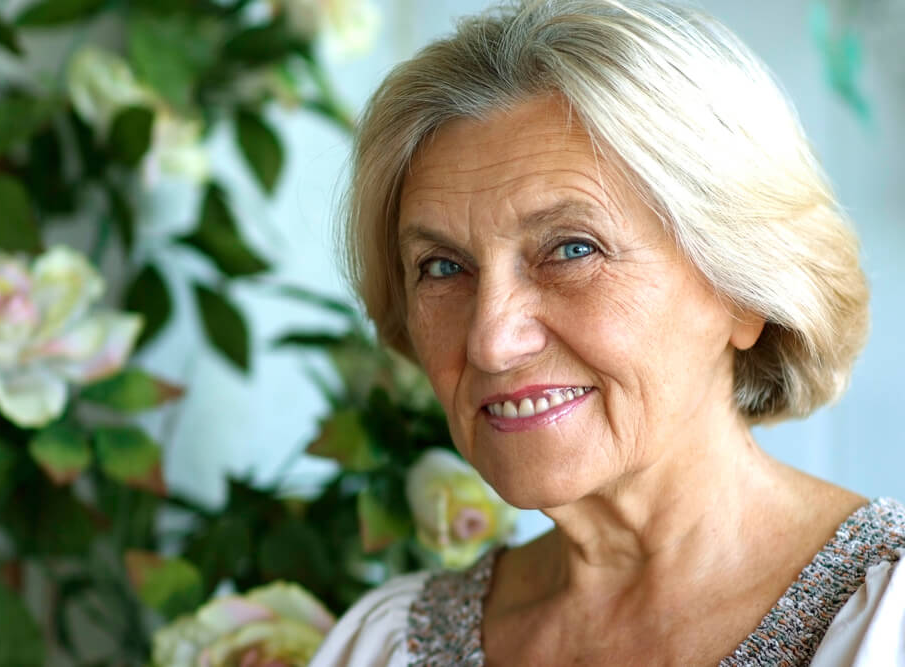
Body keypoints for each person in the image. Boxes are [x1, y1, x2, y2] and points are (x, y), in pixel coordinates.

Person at [309, 0, 905, 664]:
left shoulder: (888, 621)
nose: (490, 339)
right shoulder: (385, 645)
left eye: (571, 249)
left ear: (744, 292)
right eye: (443, 267)